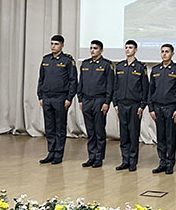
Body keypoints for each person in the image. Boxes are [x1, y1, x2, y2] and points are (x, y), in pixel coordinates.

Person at [37, 35, 78, 164]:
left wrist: (69, 98)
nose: (53, 46)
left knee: (60, 127)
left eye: (56, 44)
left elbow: (73, 81)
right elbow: (41, 79)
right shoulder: (46, 59)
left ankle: (59, 154)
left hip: (60, 98)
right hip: (47, 97)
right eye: (52, 44)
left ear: (62, 45)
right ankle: (51, 152)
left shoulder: (67, 61)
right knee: (49, 127)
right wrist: (40, 96)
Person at [77, 39, 114, 168]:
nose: (92, 50)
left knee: (99, 131)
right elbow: (81, 83)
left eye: (95, 48)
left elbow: (110, 85)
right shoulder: (85, 64)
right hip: (86, 100)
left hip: (99, 100)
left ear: (101, 50)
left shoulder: (106, 65)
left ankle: (99, 157)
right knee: (90, 131)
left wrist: (107, 102)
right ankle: (91, 156)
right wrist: (80, 99)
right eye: (91, 48)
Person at [148, 43, 176, 174]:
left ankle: (170, 163)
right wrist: (151, 108)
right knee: (160, 137)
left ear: (172, 54)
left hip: (171, 108)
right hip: (157, 108)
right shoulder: (155, 70)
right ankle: (162, 162)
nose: (164, 54)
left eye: (167, 51)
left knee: (170, 137)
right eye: (162, 51)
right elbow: (151, 90)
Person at [113, 39, 149, 171]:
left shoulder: (140, 67)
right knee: (123, 134)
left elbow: (145, 88)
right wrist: (115, 103)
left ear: (135, 50)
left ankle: (133, 161)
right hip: (121, 104)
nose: (128, 50)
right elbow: (115, 86)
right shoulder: (120, 66)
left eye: (130, 47)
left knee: (133, 134)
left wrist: (142, 105)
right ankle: (125, 160)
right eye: (126, 47)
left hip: (134, 105)